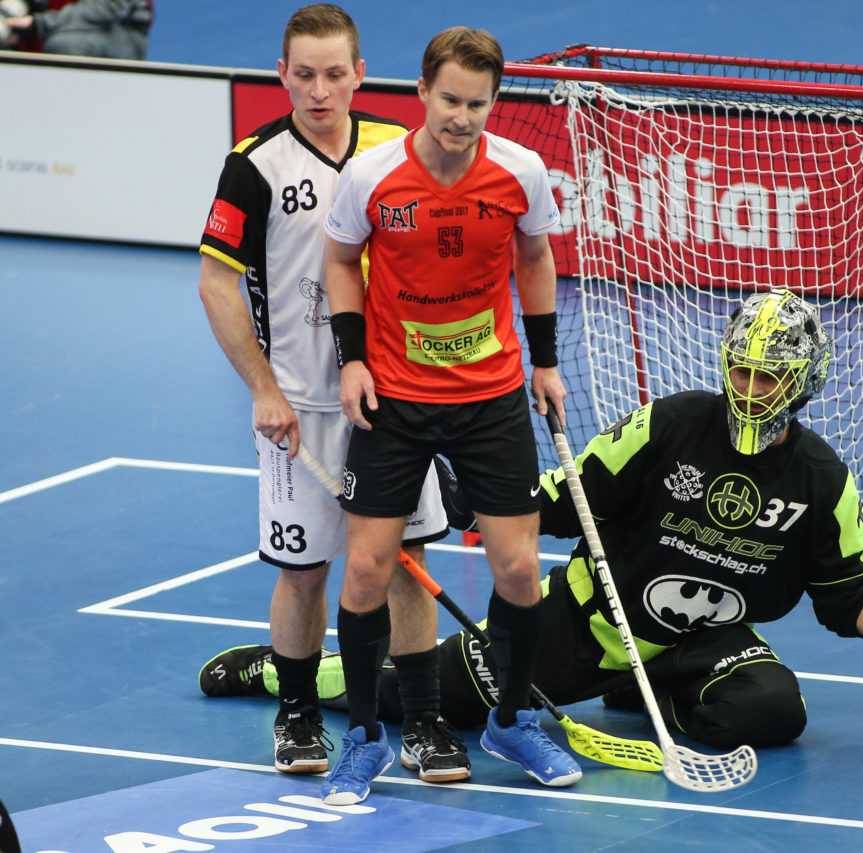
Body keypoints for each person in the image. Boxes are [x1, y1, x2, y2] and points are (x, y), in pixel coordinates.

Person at [202, 289, 863, 757]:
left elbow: (845, 596)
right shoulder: (671, 423)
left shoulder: (823, 479)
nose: (752, 387)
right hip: (589, 619)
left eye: (770, 376)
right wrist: (481, 499)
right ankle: (275, 669)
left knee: (773, 714)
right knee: (412, 696)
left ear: (804, 381)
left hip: (703, 638)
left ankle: (650, 695)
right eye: (743, 369)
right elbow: (564, 494)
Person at [197, 4, 467, 787]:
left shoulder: (397, 148)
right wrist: (264, 389)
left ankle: (423, 721)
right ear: (282, 75)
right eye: (305, 75)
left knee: (408, 561)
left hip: (397, 402)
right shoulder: (254, 165)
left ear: (359, 74)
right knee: (305, 569)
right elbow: (215, 282)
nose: (320, 91)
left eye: (335, 74)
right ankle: (298, 713)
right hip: (302, 410)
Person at [317, 25, 576, 803]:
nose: (462, 117)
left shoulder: (520, 171)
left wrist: (545, 362)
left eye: (478, 104)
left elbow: (535, 256)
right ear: (422, 92)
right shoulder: (372, 176)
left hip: (490, 395)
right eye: (450, 100)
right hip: (395, 397)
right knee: (367, 568)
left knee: (519, 568)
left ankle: (510, 721)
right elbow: (340, 261)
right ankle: (365, 737)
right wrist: (352, 358)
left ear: (494, 102)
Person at [1, 0, 151, 60]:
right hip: (58, 24)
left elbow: (105, 9)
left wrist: (38, 24)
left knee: (61, 45)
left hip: (122, 32)